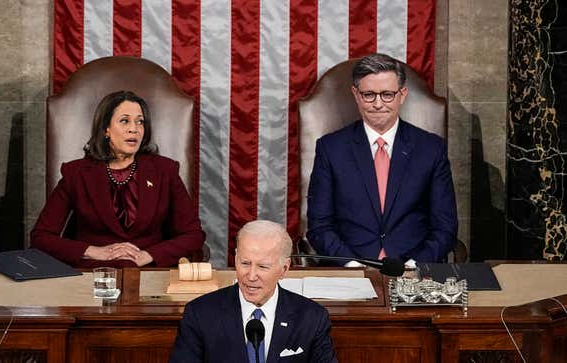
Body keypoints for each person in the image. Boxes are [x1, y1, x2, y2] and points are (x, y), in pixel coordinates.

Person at [307, 53, 458, 264]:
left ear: (402, 95)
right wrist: (350, 264)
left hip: (413, 269)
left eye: (387, 94)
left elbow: (445, 227)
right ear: (356, 95)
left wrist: (415, 264)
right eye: (369, 94)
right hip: (349, 269)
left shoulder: (431, 149)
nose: (378, 104)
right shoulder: (331, 148)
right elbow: (319, 226)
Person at [30, 90, 205, 268]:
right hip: (94, 274)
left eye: (140, 122)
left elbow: (193, 235)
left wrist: (148, 255)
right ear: (106, 129)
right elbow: (41, 237)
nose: (134, 129)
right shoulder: (77, 173)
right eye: (124, 121)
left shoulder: (165, 170)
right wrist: (94, 251)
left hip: (149, 272)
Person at [169, 220, 337, 363]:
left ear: (284, 269)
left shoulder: (311, 318)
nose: (250, 276)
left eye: (263, 266)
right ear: (235, 258)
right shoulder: (199, 314)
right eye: (245, 263)